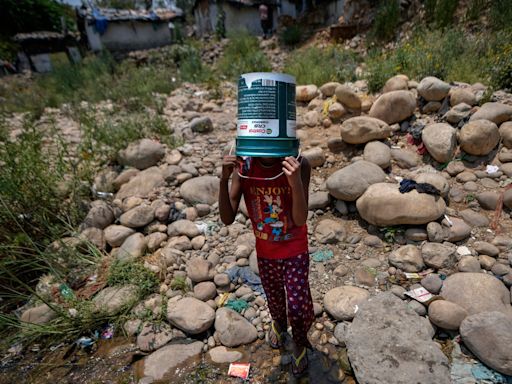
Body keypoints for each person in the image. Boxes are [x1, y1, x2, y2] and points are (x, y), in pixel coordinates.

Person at [219, 153, 314, 376]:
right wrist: (223, 179)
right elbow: (227, 217)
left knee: (298, 307)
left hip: (295, 250)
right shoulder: (245, 165)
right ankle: (279, 324)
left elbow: (300, 219)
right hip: (266, 252)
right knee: (274, 297)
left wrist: (295, 182)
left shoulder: (299, 163)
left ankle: (299, 343)